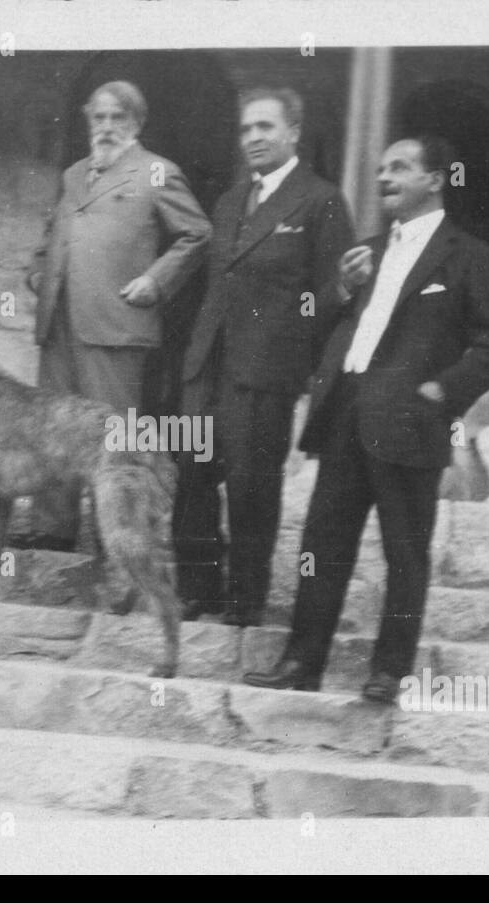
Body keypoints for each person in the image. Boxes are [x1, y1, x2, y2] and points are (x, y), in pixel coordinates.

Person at [244, 134, 489, 701]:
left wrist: (441, 391)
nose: (384, 178)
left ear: (435, 180)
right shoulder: (366, 251)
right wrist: (342, 289)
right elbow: (319, 328)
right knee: (322, 546)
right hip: (345, 413)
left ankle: (390, 672)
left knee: (404, 550)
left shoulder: (467, 255)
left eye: (400, 168)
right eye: (380, 169)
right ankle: (302, 662)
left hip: (411, 422)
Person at [174, 87, 354, 627]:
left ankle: (244, 598)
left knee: (253, 484)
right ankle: (197, 586)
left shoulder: (320, 200)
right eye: (247, 128)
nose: (253, 137)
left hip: (267, 370)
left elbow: (330, 293)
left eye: (265, 127)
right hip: (208, 363)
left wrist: (307, 365)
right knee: (192, 474)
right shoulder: (230, 201)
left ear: (293, 132)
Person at [18, 80, 211, 552]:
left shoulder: (157, 172)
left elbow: (198, 234)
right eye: (98, 117)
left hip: (116, 325)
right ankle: (52, 528)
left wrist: (157, 280)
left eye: (116, 118)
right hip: (58, 325)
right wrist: (39, 274)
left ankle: (118, 537)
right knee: (52, 428)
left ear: (136, 124)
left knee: (114, 437)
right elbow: (51, 236)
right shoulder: (73, 174)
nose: (105, 127)